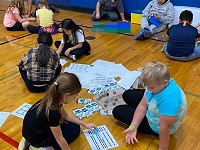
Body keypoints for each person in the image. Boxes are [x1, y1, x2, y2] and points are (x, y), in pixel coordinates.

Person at [113, 61, 187, 150]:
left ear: (165, 83)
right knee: (127, 94)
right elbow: (143, 105)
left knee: (117, 111)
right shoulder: (157, 84)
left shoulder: (169, 100)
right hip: (157, 108)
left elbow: (164, 127)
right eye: (146, 85)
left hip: (157, 126)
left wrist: (163, 148)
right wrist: (133, 126)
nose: (147, 89)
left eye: (151, 87)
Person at [18, 73, 97, 150]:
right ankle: (43, 148)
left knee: (75, 126)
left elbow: (66, 116)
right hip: (37, 140)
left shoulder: (52, 98)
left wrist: (85, 124)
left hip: (30, 132)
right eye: (74, 96)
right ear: (66, 95)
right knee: (75, 131)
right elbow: (59, 139)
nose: (75, 99)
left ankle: (30, 141)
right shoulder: (52, 112)